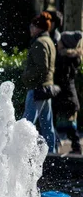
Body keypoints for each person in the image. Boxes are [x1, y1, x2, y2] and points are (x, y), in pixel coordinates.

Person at [22, 12, 57, 153]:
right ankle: (51, 152)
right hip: (46, 87)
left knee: (27, 123)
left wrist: (25, 76)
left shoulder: (39, 43)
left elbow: (41, 68)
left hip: (38, 89)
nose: (30, 29)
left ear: (38, 28)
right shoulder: (48, 41)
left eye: (32, 26)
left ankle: (21, 151)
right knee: (47, 125)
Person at [53, 31, 83, 154]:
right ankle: (74, 146)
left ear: (64, 44)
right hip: (69, 95)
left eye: (61, 41)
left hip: (66, 96)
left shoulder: (64, 59)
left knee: (68, 124)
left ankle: (75, 147)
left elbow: (61, 78)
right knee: (69, 124)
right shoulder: (72, 58)